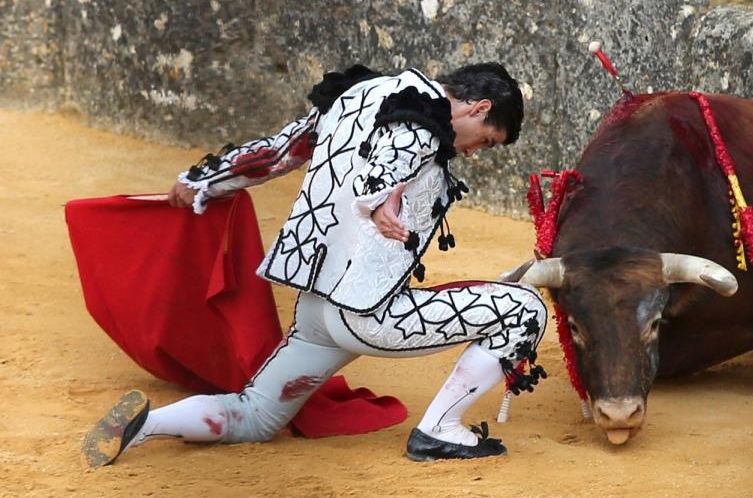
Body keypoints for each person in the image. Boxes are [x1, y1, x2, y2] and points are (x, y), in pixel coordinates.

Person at [81, 63, 548, 465]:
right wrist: (379, 202)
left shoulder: (360, 91)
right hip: (371, 313)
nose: (471, 151)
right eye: (485, 141)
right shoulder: (426, 120)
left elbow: (282, 151)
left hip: (316, 309)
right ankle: (439, 431)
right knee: (525, 308)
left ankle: (147, 424)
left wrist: (206, 179)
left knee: (256, 415)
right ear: (478, 108)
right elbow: (390, 163)